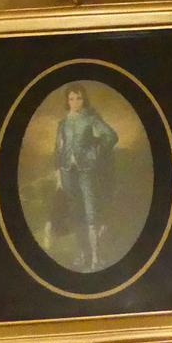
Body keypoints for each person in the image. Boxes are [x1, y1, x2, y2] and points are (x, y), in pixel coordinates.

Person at [52, 84, 118, 271]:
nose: (75, 102)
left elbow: (111, 136)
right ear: (67, 101)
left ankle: (96, 258)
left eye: (78, 98)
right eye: (71, 99)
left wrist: (93, 153)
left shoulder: (91, 119)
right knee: (75, 213)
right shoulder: (63, 123)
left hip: (86, 171)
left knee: (91, 212)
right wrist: (58, 175)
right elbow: (58, 149)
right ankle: (83, 254)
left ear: (84, 100)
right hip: (67, 172)